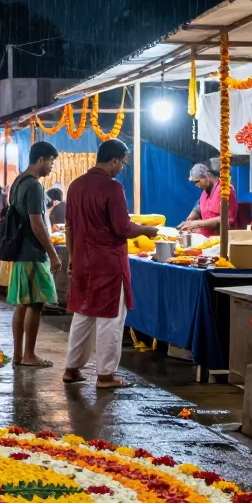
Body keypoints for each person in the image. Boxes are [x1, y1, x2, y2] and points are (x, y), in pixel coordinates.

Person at [62, 138, 160, 389]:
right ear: (114, 160)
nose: (122, 168)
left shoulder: (75, 185)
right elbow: (122, 227)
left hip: (83, 261)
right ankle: (106, 375)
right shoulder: (112, 188)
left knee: (83, 314)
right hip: (107, 264)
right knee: (110, 319)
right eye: (122, 163)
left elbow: (70, 227)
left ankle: (72, 369)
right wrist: (146, 230)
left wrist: (72, 258)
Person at [5, 142, 63, 368]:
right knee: (36, 303)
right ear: (40, 159)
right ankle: (29, 354)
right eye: (50, 161)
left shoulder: (18, 182)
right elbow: (37, 223)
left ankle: (19, 354)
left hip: (21, 252)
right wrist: (53, 254)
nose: (51, 166)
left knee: (22, 304)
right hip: (33, 252)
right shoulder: (35, 186)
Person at [178, 162, 238, 233]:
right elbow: (199, 207)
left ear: (206, 176)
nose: (196, 185)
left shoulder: (225, 190)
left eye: (197, 181)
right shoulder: (204, 193)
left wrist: (197, 224)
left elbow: (226, 220)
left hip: (220, 239)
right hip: (205, 238)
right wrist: (189, 220)